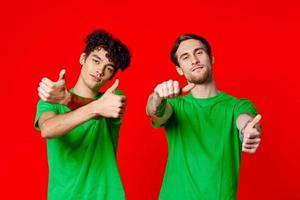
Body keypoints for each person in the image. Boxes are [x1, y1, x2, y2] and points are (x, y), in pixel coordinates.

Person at [146, 34, 262, 200]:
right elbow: (155, 111)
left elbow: (245, 121)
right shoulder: (176, 105)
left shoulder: (237, 106)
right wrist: (157, 96)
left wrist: (249, 130)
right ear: (179, 69)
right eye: (185, 57)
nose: (194, 60)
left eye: (199, 52)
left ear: (211, 58)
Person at [34, 30, 131, 200]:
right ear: (82, 59)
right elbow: (48, 129)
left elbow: (103, 108)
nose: (100, 71)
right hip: (65, 196)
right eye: (96, 60)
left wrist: (69, 99)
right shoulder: (51, 101)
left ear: (112, 76)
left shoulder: (112, 98)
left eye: (108, 68)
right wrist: (70, 100)